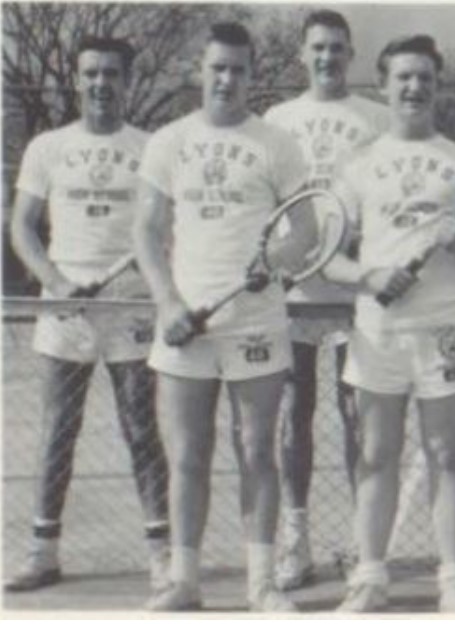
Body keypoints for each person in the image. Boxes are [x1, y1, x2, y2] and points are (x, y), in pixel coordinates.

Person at [322, 34, 455, 613]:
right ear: (383, 85)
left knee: (448, 455)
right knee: (376, 456)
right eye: (402, 77)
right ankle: (370, 578)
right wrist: (369, 276)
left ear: (437, 83)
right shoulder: (358, 166)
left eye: (424, 76)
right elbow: (328, 257)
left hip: (444, 332)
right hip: (378, 333)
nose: (414, 86)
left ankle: (454, 578)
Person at [133, 22, 311, 612]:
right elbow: (147, 232)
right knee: (187, 455)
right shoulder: (168, 141)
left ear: (252, 75)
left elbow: (306, 232)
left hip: (256, 321)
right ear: (199, 71)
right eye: (217, 68)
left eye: (238, 69)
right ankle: (185, 581)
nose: (227, 79)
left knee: (258, 452)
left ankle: (261, 585)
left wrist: (274, 262)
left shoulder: (277, 144)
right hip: (186, 327)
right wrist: (168, 304)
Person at [6, 35, 169, 594]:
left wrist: (141, 278)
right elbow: (23, 226)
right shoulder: (46, 148)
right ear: (77, 80)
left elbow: (162, 229)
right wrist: (55, 282)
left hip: (129, 306)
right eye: (91, 74)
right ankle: (42, 552)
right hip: (65, 307)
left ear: (127, 81)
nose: (101, 84)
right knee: (57, 431)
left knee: (142, 431)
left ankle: (162, 556)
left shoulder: (153, 147)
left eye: (112, 74)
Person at [263, 9, 388, 591]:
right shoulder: (277, 119)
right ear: (302, 54)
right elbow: (268, 211)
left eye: (337, 48)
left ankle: (363, 547)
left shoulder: (377, 119)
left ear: (351, 53)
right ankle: (297, 539)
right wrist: (283, 265)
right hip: (294, 295)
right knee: (294, 420)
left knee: (356, 419)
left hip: (352, 294)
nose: (327, 57)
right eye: (317, 47)